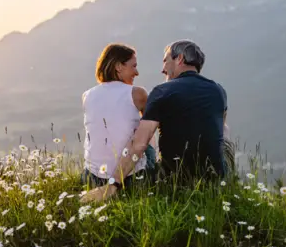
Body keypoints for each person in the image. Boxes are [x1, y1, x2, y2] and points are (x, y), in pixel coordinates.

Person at [81, 39, 228, 203]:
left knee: (144, 141)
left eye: (166, 61)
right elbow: (220, 131)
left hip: (175, 180)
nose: (162, 69)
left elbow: (139, 145)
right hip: (216, 179)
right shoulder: (219, 90)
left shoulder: (162, 92)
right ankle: (230, 181)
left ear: (179, 59)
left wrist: (113, 184)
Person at [80, 43, 157, 188]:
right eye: (133, 66)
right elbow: (148, 134)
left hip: (93, 177)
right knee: (147, 135)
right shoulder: (137, 93)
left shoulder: (87, 95)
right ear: (118, 67)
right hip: (132, 177)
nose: (137, 72)